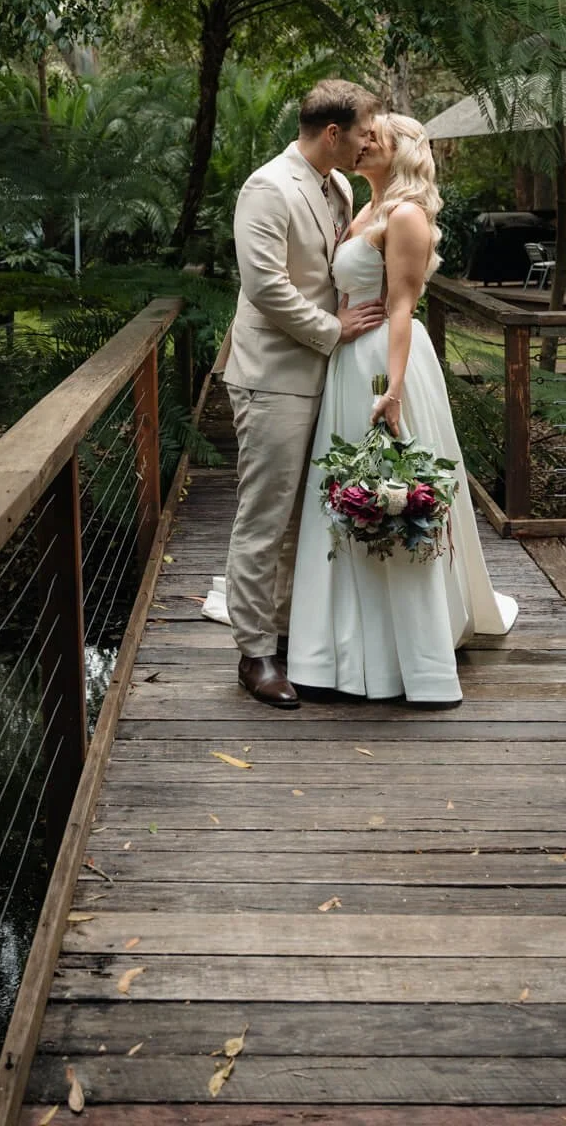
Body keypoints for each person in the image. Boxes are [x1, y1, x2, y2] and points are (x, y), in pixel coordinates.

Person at [286, 113, 518, 705]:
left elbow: (401, 309)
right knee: (344, 493)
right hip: (347, 365)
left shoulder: (407, 215)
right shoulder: (360, 207)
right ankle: (335, 650)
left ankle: (409, 660)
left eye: (375, 139)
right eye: (362, 136)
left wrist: (391, 391)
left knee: (392, 488)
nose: (362, 144)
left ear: (402, 153)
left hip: (386, 369)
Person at [223, 79, 386, 707]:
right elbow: (264, 286)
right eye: (365, 131)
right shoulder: (266, 188)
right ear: (333, 134)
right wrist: (332, 329)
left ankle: (293, 633)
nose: (371, 141)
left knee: (307, 514)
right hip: (273, 376)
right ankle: (254, 653)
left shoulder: (341, 187)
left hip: (332, 377)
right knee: (265, 514)